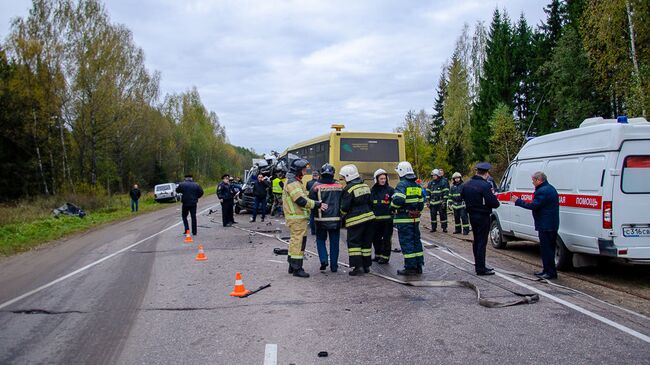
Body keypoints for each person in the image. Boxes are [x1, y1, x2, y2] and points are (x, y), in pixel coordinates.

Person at [510, 171, 559, 280]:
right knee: (548, 248)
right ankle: (548, 270)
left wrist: (518, 201)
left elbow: (534, 205)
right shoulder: (550, 188)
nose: (532, 183)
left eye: (533, 181)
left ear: (538, 180)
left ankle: (550, 272)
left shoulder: (542, 191)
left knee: (546, 249)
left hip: (546, 224)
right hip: (551, 223)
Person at [284, 158, 328, 278]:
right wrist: (317, 204)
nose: (305, 172)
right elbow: (301, 200)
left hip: (297, 218)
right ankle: (297, 268)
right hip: (296, 218)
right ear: (297, 170)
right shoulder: (293, 183)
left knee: (295, 242)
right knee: (299, 242)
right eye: (303, 170)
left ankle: (292, 265)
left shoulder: (295, 182)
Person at [461, 162, 500, 276]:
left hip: (472, 215)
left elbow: (462, 196)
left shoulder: (467, 184)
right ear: (486, 173)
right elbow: (493, 203)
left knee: (476, 240)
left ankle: (478, 265)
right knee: (482, 242)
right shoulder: (485, 186)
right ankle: (481, 268)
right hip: (483, 216)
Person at [340, 164, 376, 276]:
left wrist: (341, 215)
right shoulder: (365, 186)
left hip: (355, 221)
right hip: (370, 219)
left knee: (354, 243)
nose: (344, 180)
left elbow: (344, 207)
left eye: (344, 177)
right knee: (366, 243)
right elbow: (371, 202)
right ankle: (366, 266)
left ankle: (358, 267)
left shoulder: (348, 189)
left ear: (348, 176)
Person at [391, 161, 425, 276]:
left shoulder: (402, 184)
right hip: (415, 219)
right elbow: (421, 204)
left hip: (404, 219)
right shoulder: (417, 185)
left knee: (407, 242)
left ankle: (410, 267)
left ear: (401, 172)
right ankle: (418, 265)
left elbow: (398, 200)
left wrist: (392, 206)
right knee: (416, 241)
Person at [308, 164, 342, 272]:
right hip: (336, 219)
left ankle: (323, 259)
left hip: (320, 220)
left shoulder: (315, 186)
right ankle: (334, 266)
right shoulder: (339, 186)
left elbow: (311, 203)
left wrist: (313, 216)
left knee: (320, 240)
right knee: (334, 243)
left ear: (321, 173)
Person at [370, 169, 395, 264]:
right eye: (381, 178)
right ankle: (377, 255)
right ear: (376, 179)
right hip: (375, 221)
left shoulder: (390, 190)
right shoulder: (373, 191)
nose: (383, 180)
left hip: (387, 221)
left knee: (386, 239)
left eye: (384, 178)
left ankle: (385, 257)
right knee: (375, 238)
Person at [306, 170, 320, 235]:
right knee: (319, 216)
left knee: (312, 216)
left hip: (311, 201)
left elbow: (307, 193)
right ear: (318, 176)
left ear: (312, 176)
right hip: (319, 201)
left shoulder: (308, 183)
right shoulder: (320, 183)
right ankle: (319, 230)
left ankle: (313, 231)